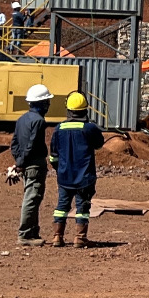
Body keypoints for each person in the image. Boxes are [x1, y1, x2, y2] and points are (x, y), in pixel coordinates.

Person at [48, 91, 104, 248]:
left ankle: (57, 237)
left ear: (68, 110)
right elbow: (99, 144)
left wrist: (60, 169)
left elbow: (53, 155)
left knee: (61, 207)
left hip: (65, 176)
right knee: (83, 207)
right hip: (84, 177)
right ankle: (80, 238)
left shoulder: (59, 128)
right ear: (85, 110)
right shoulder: (89, 128)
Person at [6, 83, 53, 246]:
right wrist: (21, 163)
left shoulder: (21, 119)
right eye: (47, 102)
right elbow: (32, 145)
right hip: (34, 165)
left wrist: (18, 162)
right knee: (32, 198)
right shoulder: (39, 121)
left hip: (26, 165)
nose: (48, 105)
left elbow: (15, 143)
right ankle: (25, 234)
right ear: (41, 103)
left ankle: (33, 232)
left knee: (32, 197)